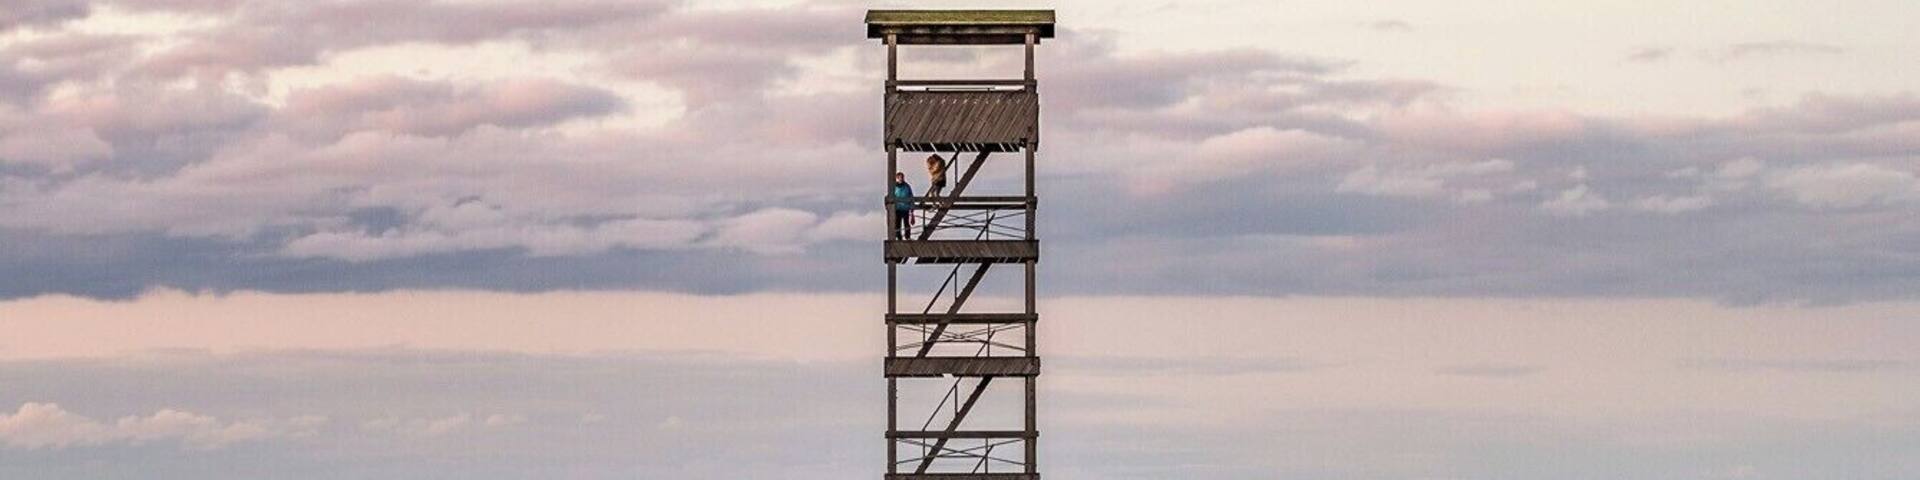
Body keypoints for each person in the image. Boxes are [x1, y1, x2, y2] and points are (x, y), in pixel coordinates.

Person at [891, 172, 914, 239]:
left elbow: (911, 196)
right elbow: (891, 196)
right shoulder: (894, 187)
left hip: (905, 208)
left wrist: (912, 208)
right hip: (897, 208)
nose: (901, 179)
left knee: (906, 223)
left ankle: (907, 237)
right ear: (897, 178)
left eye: (902, 177)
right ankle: (899, 237)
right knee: (897, 223)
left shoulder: (907, 186)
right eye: (900, 178)